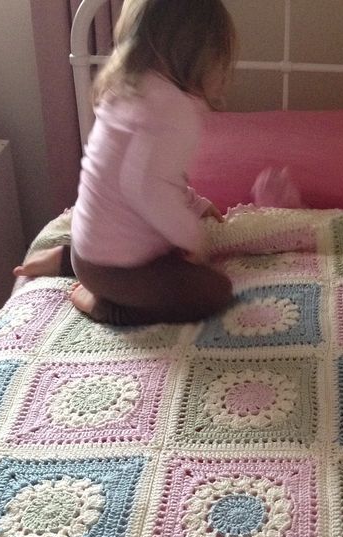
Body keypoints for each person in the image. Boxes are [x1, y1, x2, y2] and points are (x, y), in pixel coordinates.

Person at [15, 0, 236, 325]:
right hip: (115, 271)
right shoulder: (175, 110)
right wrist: (192, 236)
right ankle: (102, 305)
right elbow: (146, 186)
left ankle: (63, 261)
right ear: (200, 56)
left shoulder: (130, 88)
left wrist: (195, 203)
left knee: (161, 249)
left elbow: (156, 173)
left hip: (87, 249)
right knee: (215, 290)